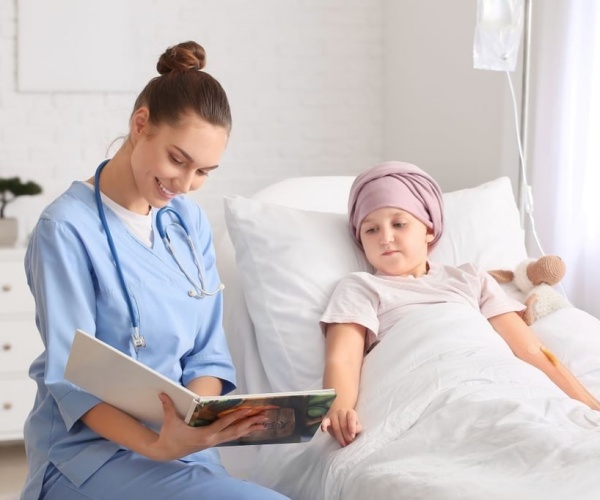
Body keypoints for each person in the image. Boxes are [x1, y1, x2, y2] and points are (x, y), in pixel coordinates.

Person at [21, 41, 289, 500]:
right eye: (178, 159)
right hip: (88, 458)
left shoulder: (188, 223)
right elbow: (72, 379)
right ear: (140, 124)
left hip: (183, 450)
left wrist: (195, 423)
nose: (184, 185)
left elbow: (207, 354)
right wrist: (158, 445)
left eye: (204, 171)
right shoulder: (65, 228)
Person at [319, 160, 600, 448]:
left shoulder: (470, 278)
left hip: (496, 380)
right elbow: (343, 358)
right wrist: (339, 407)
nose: (386, 238)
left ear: (429, 229)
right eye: (371, 230)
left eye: (399, 223)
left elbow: (530, 349)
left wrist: (590, 405)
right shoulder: (360, 287)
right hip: (425, 391)